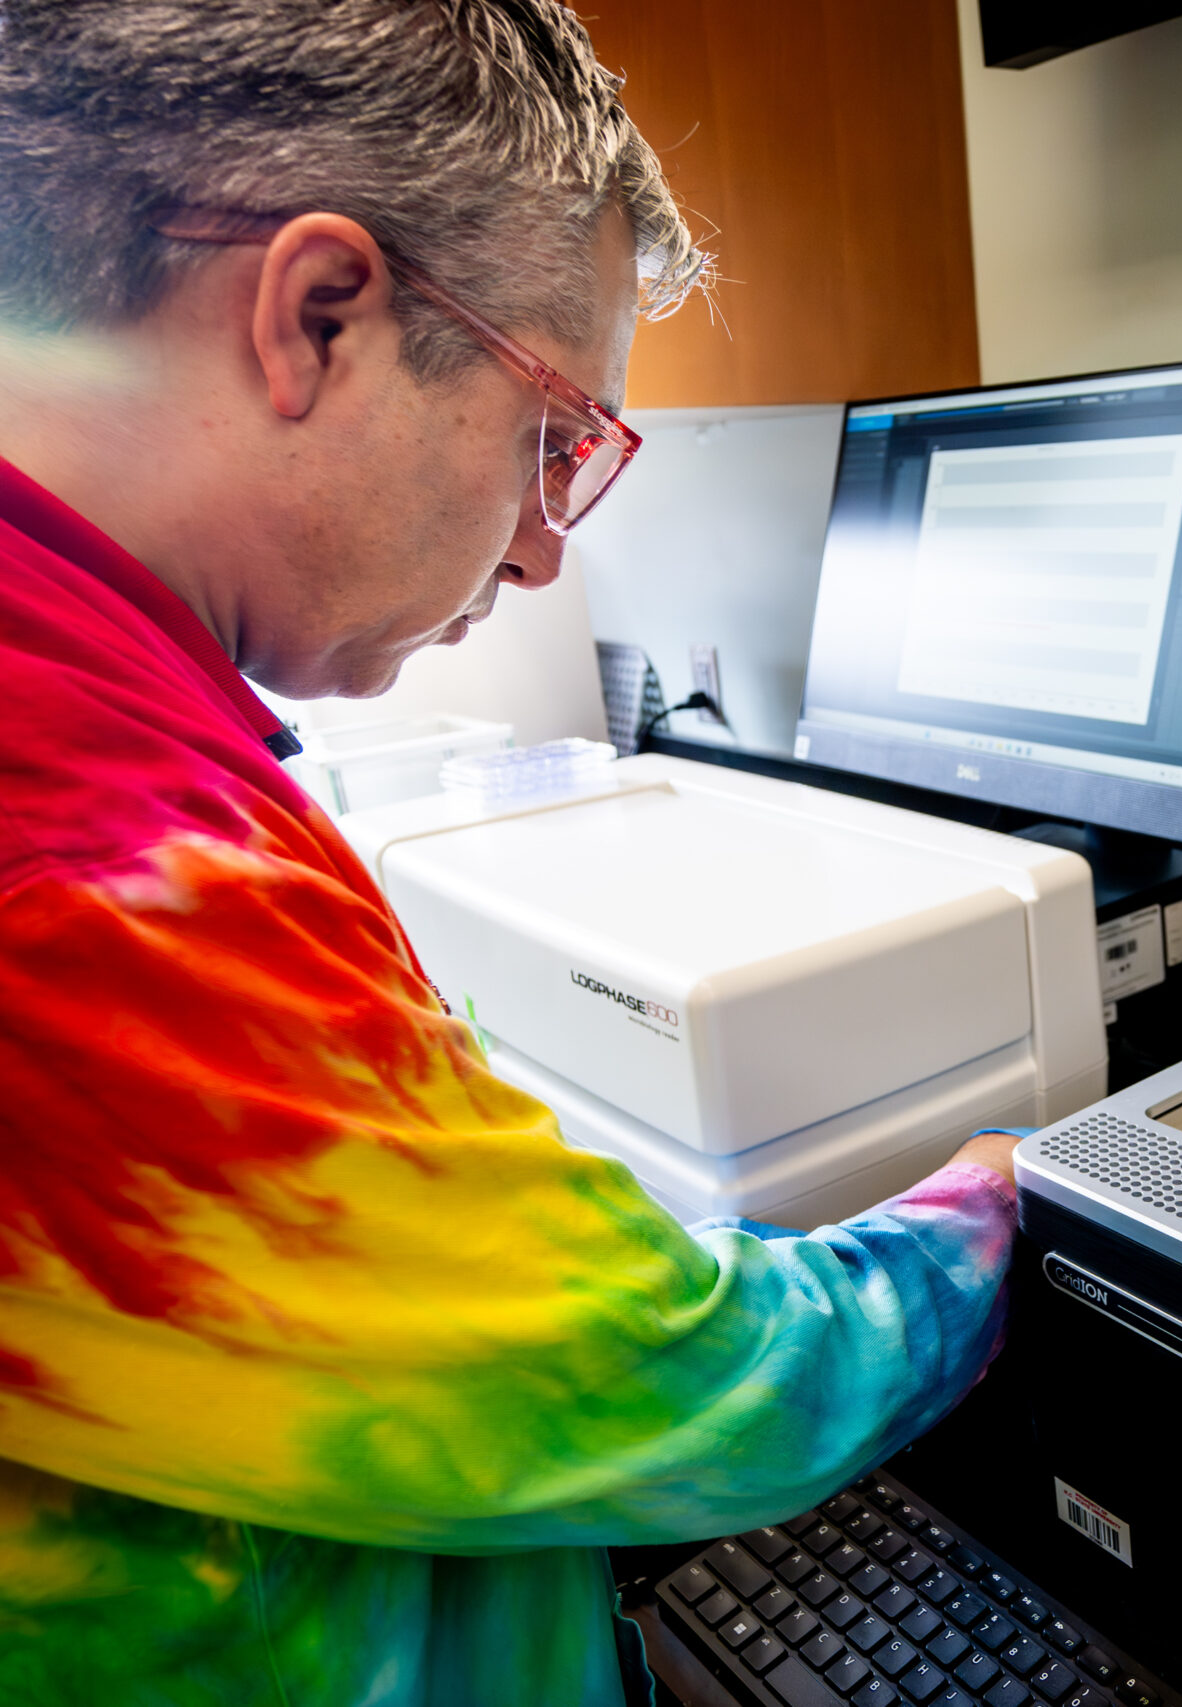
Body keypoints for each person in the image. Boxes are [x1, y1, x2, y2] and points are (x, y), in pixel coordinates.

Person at [0, 4, 1021, 1701]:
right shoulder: (97, 853)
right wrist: (1017, 1189)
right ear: (318, 317)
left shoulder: (103, 690)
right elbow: (694, 1385)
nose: (546, 550)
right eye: (556, 439)